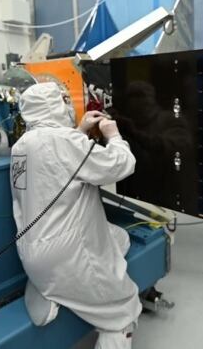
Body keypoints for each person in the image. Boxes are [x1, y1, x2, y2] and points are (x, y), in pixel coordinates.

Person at [10, 82, 141, 349]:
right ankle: (106, 313)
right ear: (53, 106)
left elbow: (57, 160)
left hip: (32, 251)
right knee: (124, 310)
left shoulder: (22, 145)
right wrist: (113, 135)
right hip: (68, 252)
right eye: (63, 99)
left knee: (119, 238)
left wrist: (79, 131)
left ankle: (50, 288)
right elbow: (119, 166)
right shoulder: (66, 141)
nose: (68, 104)